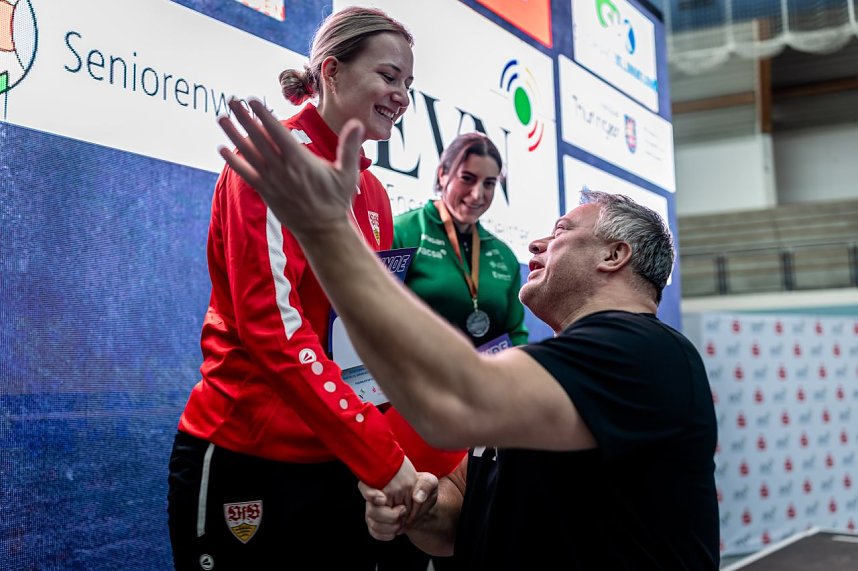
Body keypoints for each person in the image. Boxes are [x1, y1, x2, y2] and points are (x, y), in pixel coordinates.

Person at [215, 103, 720, 569]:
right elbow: (461, 512)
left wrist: (326, 234)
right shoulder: (560, 373)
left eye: (562, 230)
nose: (539, 241)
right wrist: (417, 507)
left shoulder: (644, 354)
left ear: (614, 257)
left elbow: (451, 403)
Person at [167, 8, 426, 570]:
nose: (402, 94)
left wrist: (378, 449)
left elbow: (366, 340)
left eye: (408, 83)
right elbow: (273, 330)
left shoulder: (374, 191)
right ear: (331, 71)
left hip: (342, 461)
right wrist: (377, 451)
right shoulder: (274, 156)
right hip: (251, 454)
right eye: (388, 75)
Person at [384, 132, 529, 569]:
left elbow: (514, 335)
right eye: (468, 178)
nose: (478, 193)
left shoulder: (501, 254)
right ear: (443, 173)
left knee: (458, 539)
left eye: (490, 184)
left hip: (469, 425)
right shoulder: (404, 230)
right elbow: (370, 321)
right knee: (396, 538)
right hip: (405, 417)